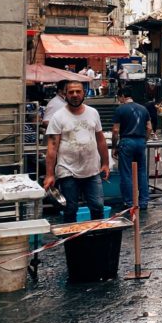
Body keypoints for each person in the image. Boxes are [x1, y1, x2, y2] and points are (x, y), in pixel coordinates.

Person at [43, 81, 110, 223]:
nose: (75, 95)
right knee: (70, 208)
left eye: (78, 91)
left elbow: (100, 140)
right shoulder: (58, 116)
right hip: (67, 170)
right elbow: (52, 146)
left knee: (98, 206)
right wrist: (49, 174)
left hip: (91, 170)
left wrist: (105, 163)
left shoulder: (93, 113)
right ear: (65, 94)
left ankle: (97, 238)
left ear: (83, 93)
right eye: (71, 92)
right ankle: (72, 242)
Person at [112, 87, 153, 213]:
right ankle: (144, 201)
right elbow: (149, 128)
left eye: (119, 98)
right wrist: (144, 140)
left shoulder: (120, 109)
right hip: (140, 142)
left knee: (126, 173)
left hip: (127, 142)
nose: (119, 100)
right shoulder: (143, 108)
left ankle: (129, 202)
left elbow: (115, 130)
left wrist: (114, 146)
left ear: (123, 96)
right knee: (142, 172)